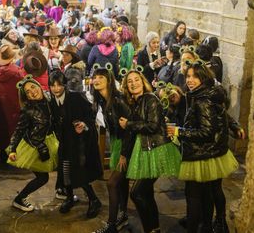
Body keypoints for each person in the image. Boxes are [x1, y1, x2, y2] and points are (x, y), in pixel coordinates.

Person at [166, 63, 238, 233]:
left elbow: (205, 132)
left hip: (201, 153)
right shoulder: (206, 94)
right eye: (188, 76)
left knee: (194, 198)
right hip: (211, 151)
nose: (190, 80)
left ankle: (199, 227)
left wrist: (179, 131)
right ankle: (207, 226)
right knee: (206, 197)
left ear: (203, 78)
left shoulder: (203, 100)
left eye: (194, 76)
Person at [119, 69, 181, 233]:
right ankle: (154, 229)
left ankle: (151, 229)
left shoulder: (150, 99)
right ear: (126, 86)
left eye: (136, 80)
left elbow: (152, 126)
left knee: (137, 193)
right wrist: (124, 154)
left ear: (143, 81)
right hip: (147, 148)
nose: (133, 83)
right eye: (129, 81)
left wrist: (129, 124)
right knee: (145, 192)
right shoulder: (136, 102)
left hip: (157, 149)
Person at [48, 70, 103, 217]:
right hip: (64, 142)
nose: (56, 89)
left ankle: (94, 200)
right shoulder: (52, 101)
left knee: (79, 172)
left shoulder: (75, 97)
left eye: (59, 85)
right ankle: (69, 197)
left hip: (80, 142)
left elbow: (91, 113)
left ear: (65, 85)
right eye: (53, 86)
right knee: (65, 171)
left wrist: (84, 124)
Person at [7, 76, 59, 212]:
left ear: (39, 86)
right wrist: (12, 149)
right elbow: (18, 131)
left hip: (50, 141)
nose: (32, 92)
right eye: (28, 92)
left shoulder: (49, 99)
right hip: (34, 146)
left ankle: (63, 191)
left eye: (33, 87)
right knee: (43, 178)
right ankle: (19, 199)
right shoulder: (27, 110)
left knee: (62, 164)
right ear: (27, 97)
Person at [91, 65, 131, 233]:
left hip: (128, 144)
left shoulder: (118, 100)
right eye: (95, 77)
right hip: (117, 142)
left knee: (112, 183)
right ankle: (123, 216)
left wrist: (124, 154)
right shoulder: (102, 99)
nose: (97, 80)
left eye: (101, 77)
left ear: (109, 81)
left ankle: (112, 225)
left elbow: (129, 128)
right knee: (122, 183)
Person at [0, 45, 24, 162]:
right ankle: (12, 155)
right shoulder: (18, 73)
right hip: (14, 109)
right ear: (11, 58)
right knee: (12, 131)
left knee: (0, 132)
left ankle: (2, 154)